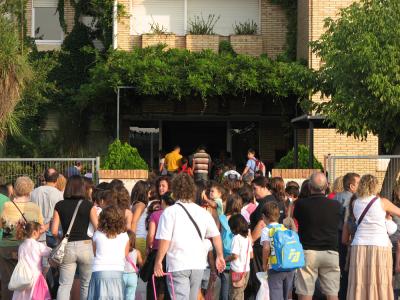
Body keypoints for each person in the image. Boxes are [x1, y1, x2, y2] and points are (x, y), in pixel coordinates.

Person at [154, 173, 225, 300]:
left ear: (174, 191)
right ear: (192, 190)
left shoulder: (170, 212)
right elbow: (216, 235)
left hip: (177, 264)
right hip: (198, 264)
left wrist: (158, 261)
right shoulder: (202, 212)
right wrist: (220, 256)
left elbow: (165, 240)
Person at [348, 175, 400, 300]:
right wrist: (387, 218)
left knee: (360, 279)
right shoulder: (382, 202)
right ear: (375, 186)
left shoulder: (355, 203)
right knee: (380, 279)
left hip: (359, 245)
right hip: (380, 245)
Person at [293, 172, 341, 300]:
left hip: (308, 252)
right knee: (332, 292)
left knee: (305, 291)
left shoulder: (300, 204)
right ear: (327, 186)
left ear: (309, 186)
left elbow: (292, 220)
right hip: (331, 252)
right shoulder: (336, 205)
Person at [51, 175, 99, 300]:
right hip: (86, 246)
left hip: (67, 247)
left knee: (65, 284)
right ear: (82, 188)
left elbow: (54, 231)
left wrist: (62, 238)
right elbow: (98, 227)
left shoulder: (59, 205)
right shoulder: (88, 205)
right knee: (86, 284)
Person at [0, 177, 44, 300]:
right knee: (28, 279)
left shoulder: (7, 205)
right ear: (30, 190)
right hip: (28, 247)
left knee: (8, 281)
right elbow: (39, 229)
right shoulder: (34, 207)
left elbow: (3, 225)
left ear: (14, 189)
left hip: (8, 246)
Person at [87, 206, 129, 300]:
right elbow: (125, 255)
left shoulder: (97, 234)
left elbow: (95, 252)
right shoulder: (124, 235)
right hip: (117, 271)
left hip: (99, 271)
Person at [333, 173, 360, 300]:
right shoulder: (351, 200)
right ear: (351, 186)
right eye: (358, 183)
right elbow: (346, 222)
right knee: (346, 269)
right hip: (344, 238)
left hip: (333, 236)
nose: (361, 186)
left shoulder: (335, 197)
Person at [261, 202, 295, 300]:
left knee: (276, 295)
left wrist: (264, 264)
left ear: (264, 216)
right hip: (289, 266)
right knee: (286, 295)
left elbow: (266, 248)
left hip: (275, 267)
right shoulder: (284, 227)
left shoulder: (266, 230)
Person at [12, 221, 51, 300]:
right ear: (34, 232)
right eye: (39, 231)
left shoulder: (21, 246)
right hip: (35, 276)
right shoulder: (38, 245)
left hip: (23, 277)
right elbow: (49, 252)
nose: (40, 233)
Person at [146, 192, 175, 300]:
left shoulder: (156, 214)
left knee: (154, 282)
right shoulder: (177, 213)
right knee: (168, 283)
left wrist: (149, 247)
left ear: (163, 202)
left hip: (157, 251)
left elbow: (151, 235)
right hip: (172, 252)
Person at [30, 168, 64, 247]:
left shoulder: (33, 193)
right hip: (54, 234)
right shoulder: (60, 195)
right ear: (57, 179)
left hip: (36, 233)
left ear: (44, 178)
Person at [220, 194, 243, 300]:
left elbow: (217, 236)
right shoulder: (242, 219)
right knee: (237, 290)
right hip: (238, 258)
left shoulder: (221, 218)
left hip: (224, 256)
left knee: (225, 285)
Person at [225, 214, 253, 300]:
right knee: (240, 294)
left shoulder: (236, 238)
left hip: (237, 271)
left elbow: (235, 256)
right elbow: (251, 255)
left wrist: (225, 259)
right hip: (246, 271)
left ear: (235, 227)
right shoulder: (247, 238)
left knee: (235, 295)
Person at [130, 180, 151, 259]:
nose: (149, 195)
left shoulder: (134, 204)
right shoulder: (141, 205)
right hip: (140, 239)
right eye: (148, 192)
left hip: (138, 238)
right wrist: (132, 239)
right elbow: (134, 222)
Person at [124, 230, 144, 299]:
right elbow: (141, 264)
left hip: (121, 275)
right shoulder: (137, 252)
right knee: (131, 296)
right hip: (132, 276)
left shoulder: (120, 251)